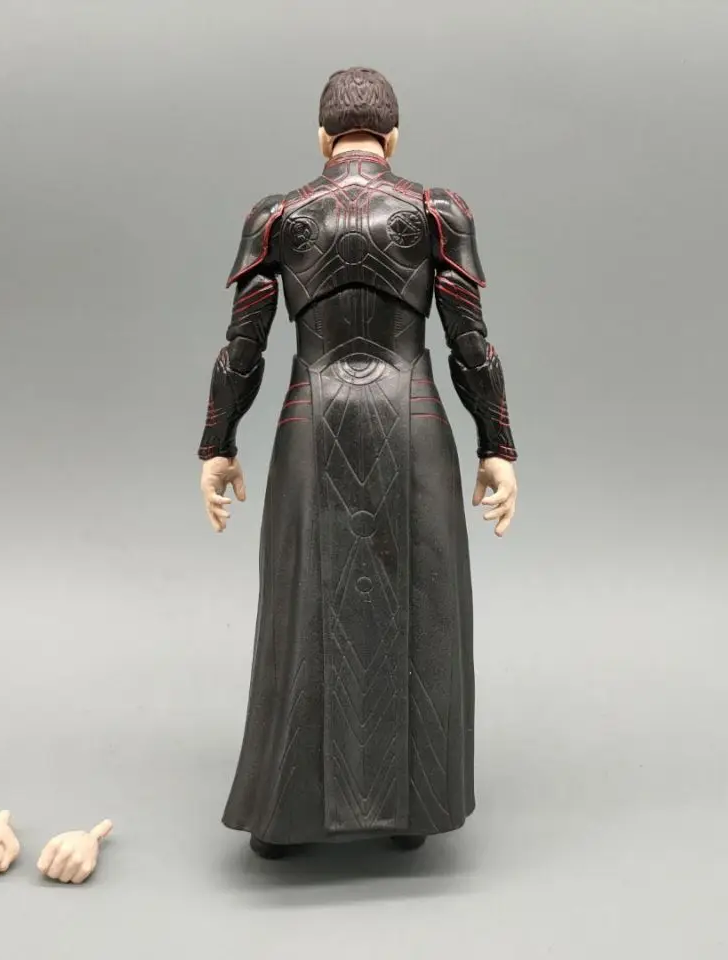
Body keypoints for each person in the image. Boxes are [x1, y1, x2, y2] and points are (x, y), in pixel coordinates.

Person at [197, 67, 518, 859]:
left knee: (304, 604)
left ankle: (284, 819)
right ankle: (412, 809)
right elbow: (472, 348)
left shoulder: (278, 217)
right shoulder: (436, 211)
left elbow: (242, 350)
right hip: (414, 418)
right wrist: (497, 446)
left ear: (322, 138)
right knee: (421, 600)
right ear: (393, 139)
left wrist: (217, 444)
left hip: (311, 419)